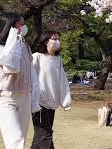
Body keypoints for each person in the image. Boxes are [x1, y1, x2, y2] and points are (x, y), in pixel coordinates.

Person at [0, 13, 41, 149]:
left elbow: (32, 74)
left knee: (21, 138)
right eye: (21, 24)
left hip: (25, 96)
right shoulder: (2, 48)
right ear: (9, 26)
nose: (24, 27)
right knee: (15, 138)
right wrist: (13, 39)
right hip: (6, 98)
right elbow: (10, 66)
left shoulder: (25, 47)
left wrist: (34, 96)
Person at [31, 31, 72, 149]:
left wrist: (65, 101)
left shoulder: (58, 59)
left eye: (59, 39)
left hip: (52, 102)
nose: (57, 41)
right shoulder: (37, 57)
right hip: (38, 102)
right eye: (54, 39)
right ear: (46, 41)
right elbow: (29, 77)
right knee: (45, 136)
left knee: (40, 136)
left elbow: (62, 81)